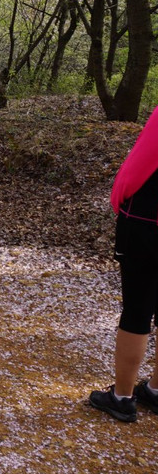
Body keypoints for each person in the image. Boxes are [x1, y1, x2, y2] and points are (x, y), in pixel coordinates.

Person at [90, 106, 158, 422]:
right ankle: (155, 390)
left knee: (137, 310)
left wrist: (118, 199)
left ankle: (122, 397)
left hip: (147, 220)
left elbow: (139, 165)